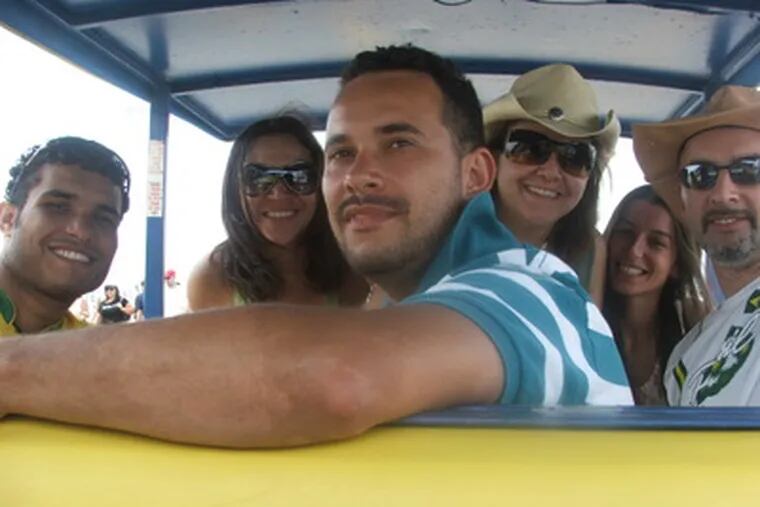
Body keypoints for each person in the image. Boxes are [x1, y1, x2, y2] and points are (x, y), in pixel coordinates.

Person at [0, 45, 632, 448]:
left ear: (475, 174)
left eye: (399, 143)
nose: (359, 173)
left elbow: (333, 378)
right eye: (341, 153)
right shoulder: (421, 304)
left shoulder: (528, 287)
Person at [633, 85, 760, 406]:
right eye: (699, 175)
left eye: (749, 170)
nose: (723, 192)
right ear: (683, 201)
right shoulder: (687, 354)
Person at [187, 115, 367, 310]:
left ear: (321, 183)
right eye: (258, 178)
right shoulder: (213, 278)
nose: (278, 193)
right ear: (235, 187)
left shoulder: (351, 270)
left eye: (299, 176)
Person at [482, 64, 620, 305]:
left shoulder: (588, 251)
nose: (550, 173)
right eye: (529, 148)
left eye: (575, 157)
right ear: (493, 158)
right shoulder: (441, 233)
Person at [0, 137, 130, 336]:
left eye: (103, 219)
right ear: (8, 219)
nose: (81, 231)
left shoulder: (95, 356)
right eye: (58, 207)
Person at [602, 185, 710, 405]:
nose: (635, 250)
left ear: (676, 264)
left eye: (656, 242)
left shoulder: (693, 330)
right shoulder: (579, 318)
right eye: (625, 233)